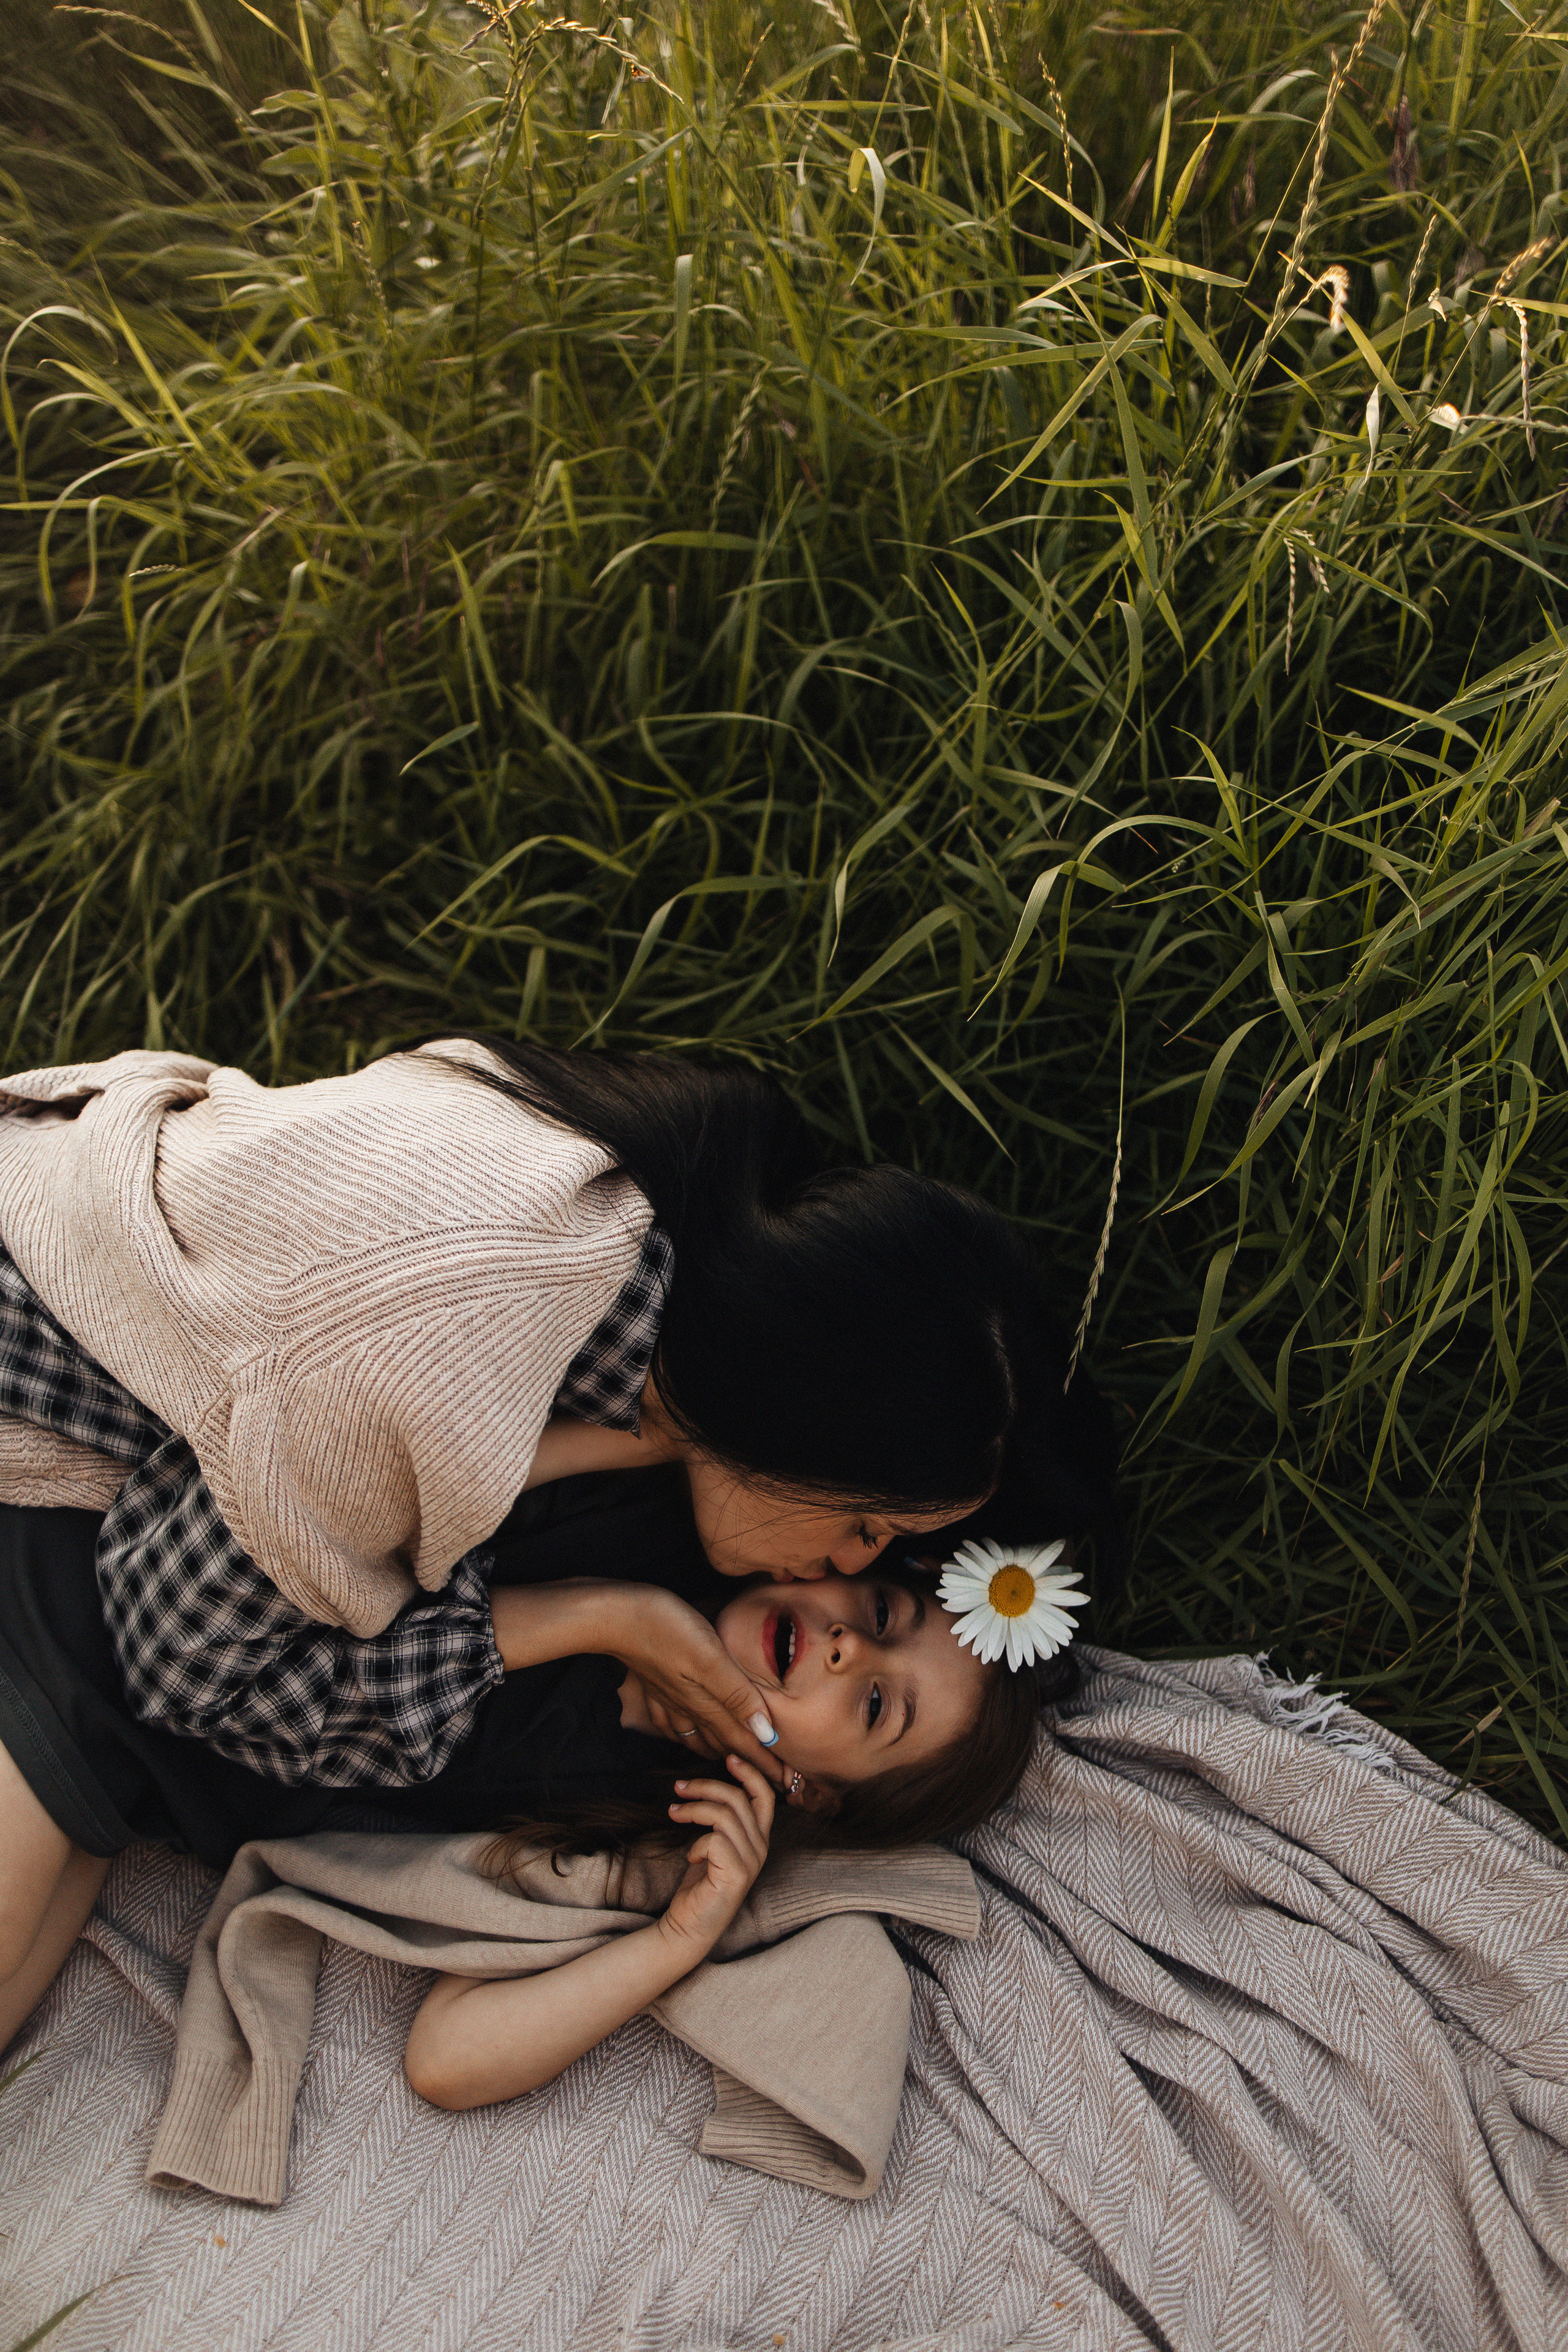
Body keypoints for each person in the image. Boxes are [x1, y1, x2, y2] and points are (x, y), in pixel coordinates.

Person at [0, 1038, 1120, 1795]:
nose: (853, 1564)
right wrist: (607, 1615)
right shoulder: (443, 1339)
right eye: (869, 1527)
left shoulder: (637, 1226)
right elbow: (187, 1670)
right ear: (803, 1414)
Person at [0, 1468, 1062, 2063]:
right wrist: (612, 1616)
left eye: (873, 1702)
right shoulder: (647, 1515)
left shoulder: (660, 1823)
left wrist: (681, 1936)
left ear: (811, 1790)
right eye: (880, 1612)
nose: (846, 1647)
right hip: (85, 1621)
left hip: (127, 1787)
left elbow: (449, 2057)